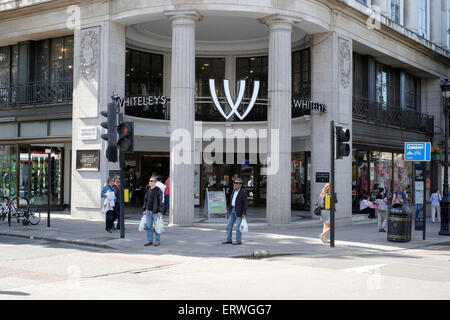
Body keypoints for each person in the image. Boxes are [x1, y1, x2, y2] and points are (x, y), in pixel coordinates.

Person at [222, 178, 248, 245]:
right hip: (232, 210)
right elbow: (230, 201)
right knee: (229, 225)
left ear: (240, 185)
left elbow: (245, 204)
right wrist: (228, 210)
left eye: (237, 183)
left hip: (239, 211)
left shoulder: (243, 192)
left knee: (238, 227)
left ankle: (238, 241)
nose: (235, 184)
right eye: (235, 183)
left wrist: (244, 213)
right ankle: (228, 240)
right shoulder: (233, 191)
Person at [142, 177, 163, 247]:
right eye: (149, 181)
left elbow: (160, 201)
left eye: (151, 181)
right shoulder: (148, 190)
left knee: (157, 226)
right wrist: (144, 209)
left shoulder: (158, 190)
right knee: (148, 226)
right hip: (148, 211)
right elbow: (145, 200)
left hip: (156, 211)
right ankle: (149, 240)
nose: (150, 182)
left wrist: (160, 211)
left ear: (155, 182)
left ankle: (157, 241)